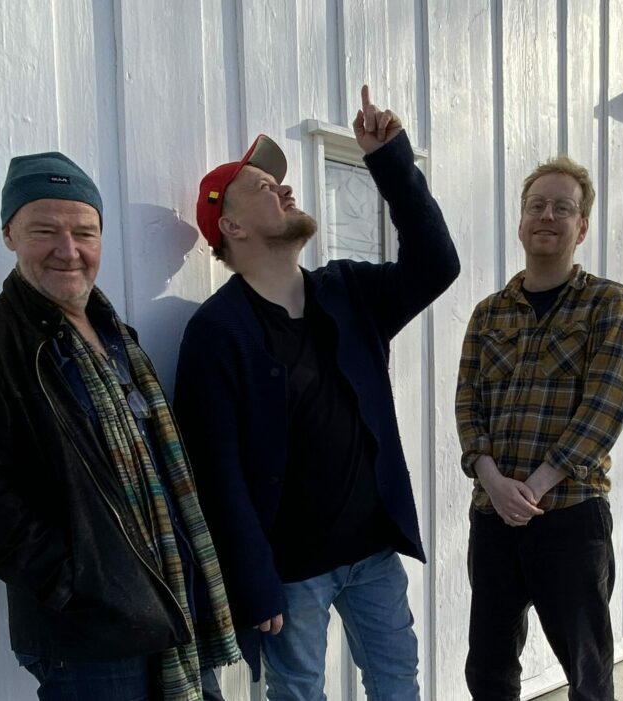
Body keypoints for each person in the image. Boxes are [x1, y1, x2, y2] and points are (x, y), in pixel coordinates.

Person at [173, 85, 459, 700]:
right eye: (262, 186)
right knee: (298, 693)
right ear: (231, 226)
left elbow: (437, 266)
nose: (283, 189)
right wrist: (252, 578)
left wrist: (390, 162)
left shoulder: (347, 292)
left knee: (397, 682)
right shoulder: (217, 332)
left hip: (373, 553)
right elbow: (215, 473)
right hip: (291, 571)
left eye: (280, 182)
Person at [0, 151, 238, 701]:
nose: (68, 250)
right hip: (89, 632)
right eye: (44, 230)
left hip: (170, 607)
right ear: (10, 234)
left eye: (84, 233)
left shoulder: (118, 338)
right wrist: (81, 584)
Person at [455, 156, 623, 700]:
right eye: (536, 205)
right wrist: (492, 481)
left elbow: (605, 406)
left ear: (582, 227)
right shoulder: (489, 313)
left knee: (588, 672)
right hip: (493, 516)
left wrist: (532, 488)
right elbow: (468, 403)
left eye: (563, 207)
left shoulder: (605, 303)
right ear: (520, 222)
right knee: (488, 669)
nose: (547, 216)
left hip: (570, 517)